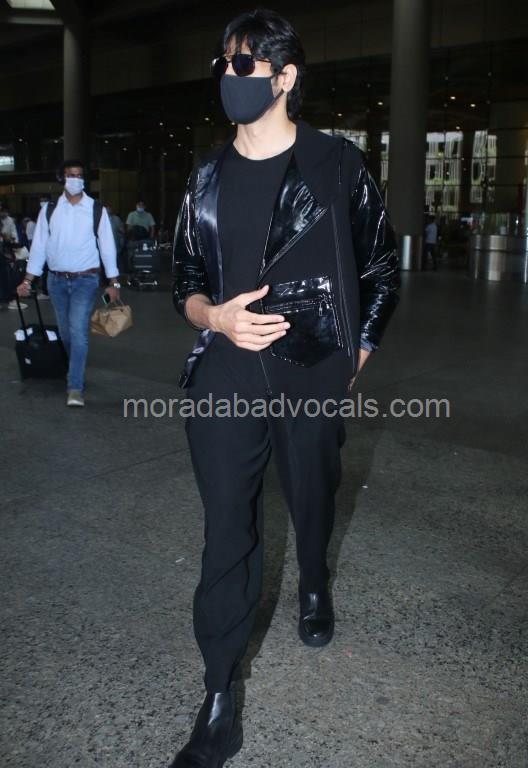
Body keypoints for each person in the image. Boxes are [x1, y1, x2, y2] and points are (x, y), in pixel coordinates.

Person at [169, 9, 400, 768]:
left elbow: (379, 268)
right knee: (225, 531)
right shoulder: (206, 177)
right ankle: (218, 698)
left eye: (244, 65)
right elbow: (185, 281)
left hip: (311, 371)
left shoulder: (336, 164)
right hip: (227, 372)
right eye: (223, 64)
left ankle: (313, 580)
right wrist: (215, 318)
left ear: (285, 77)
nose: (228, 77)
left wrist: (355, 355)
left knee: (311, 492)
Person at [17, 159, 121, 407]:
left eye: (79, 175)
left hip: (86, 280)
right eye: (70, 175)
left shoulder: (95, 209)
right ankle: (73, 366)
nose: (75, 179)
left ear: (84, 180)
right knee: (66, 333)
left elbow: (107, 247)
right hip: (56, 282)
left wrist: (114, 282)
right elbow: (39, 246)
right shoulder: (50, 209)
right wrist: (28, 279)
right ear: (61, 178)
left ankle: (75, 386)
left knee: (78, 332)